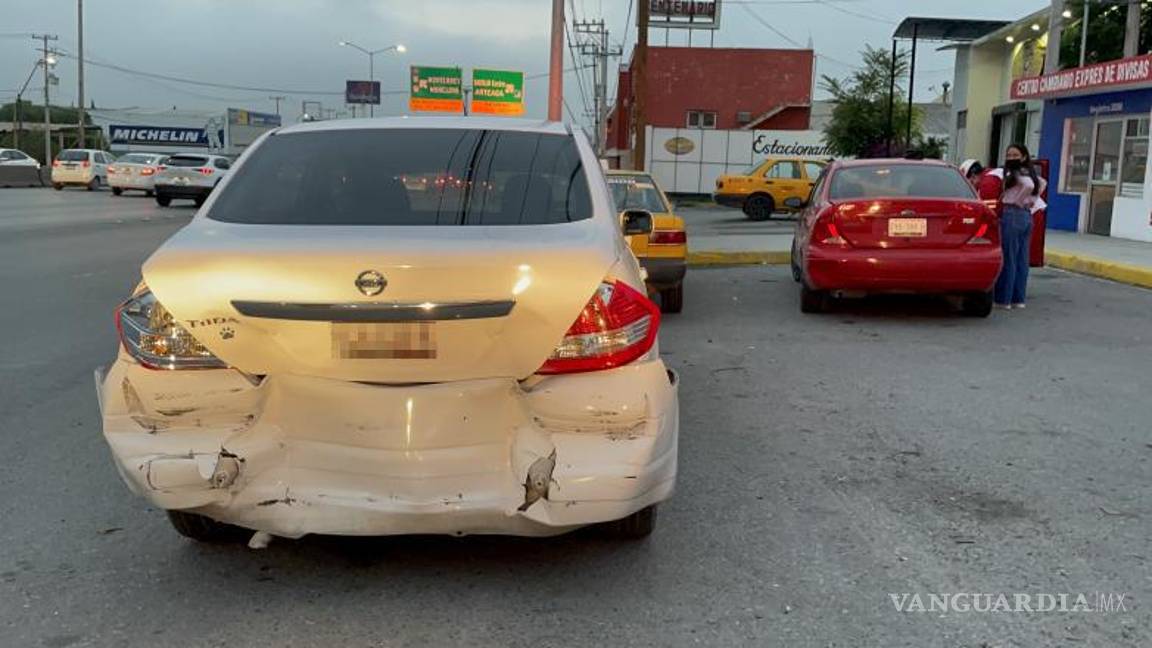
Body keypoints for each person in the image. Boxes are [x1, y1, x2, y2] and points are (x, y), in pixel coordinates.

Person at [994, 144, 1046, 310]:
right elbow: (1041, 183)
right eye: (1009, 155)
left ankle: (1004, 299)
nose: (1011, 158)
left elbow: (1029, 186)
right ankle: (1018, 298)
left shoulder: (1016, 173)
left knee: (1009, 257)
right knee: (1021, 259)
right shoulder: (1029, 172)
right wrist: (1030, 201)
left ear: (1024, 156)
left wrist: (1018, 200)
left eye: (1015, 155)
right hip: (1026, 216)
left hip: (1012, 214)